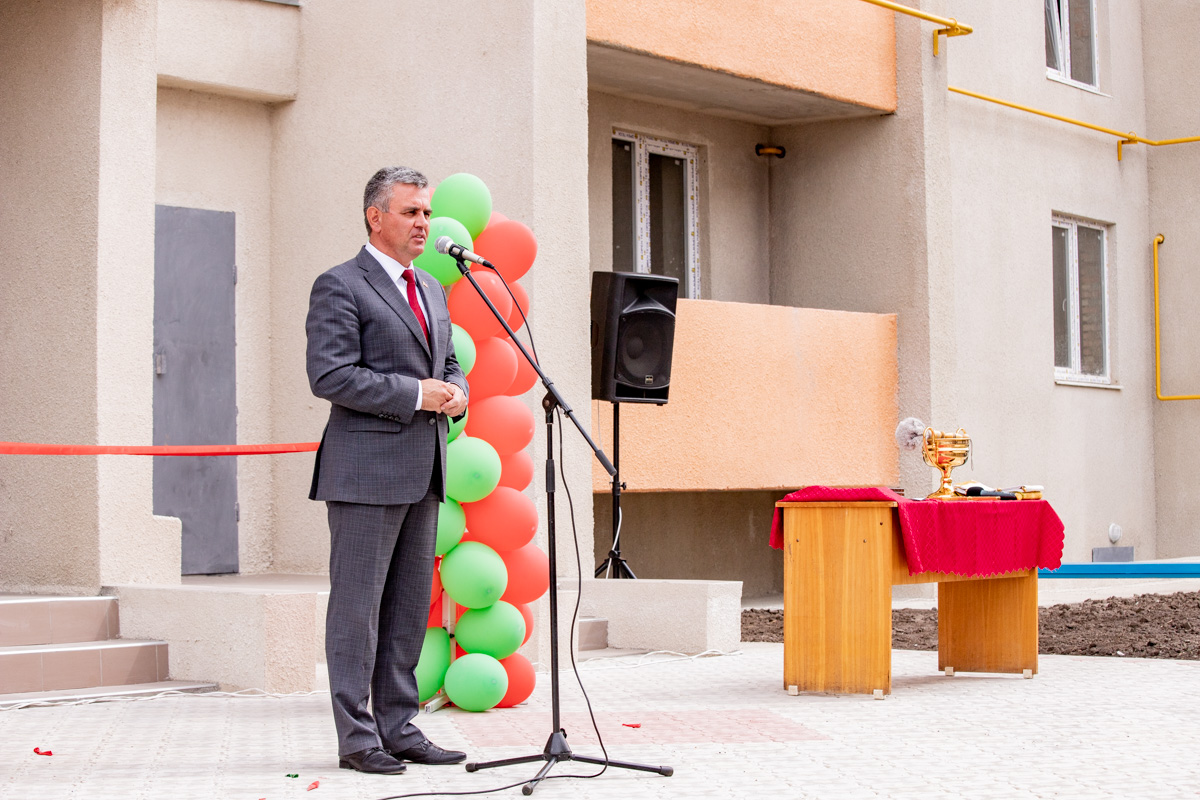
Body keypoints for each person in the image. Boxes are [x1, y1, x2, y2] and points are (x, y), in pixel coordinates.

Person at [306, 166, 469, 775]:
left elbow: (449, 361)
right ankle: (357, 738)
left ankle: (399, 727)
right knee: (358, 610)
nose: (424, 222)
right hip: (364, 473)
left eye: (427, 212)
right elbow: (331, 375)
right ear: (377, 217)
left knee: (407, 609)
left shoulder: (431, 287)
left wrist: (456, 390)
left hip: (424, 470)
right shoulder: (340, 285)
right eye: (411, 212)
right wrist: (417, 394)